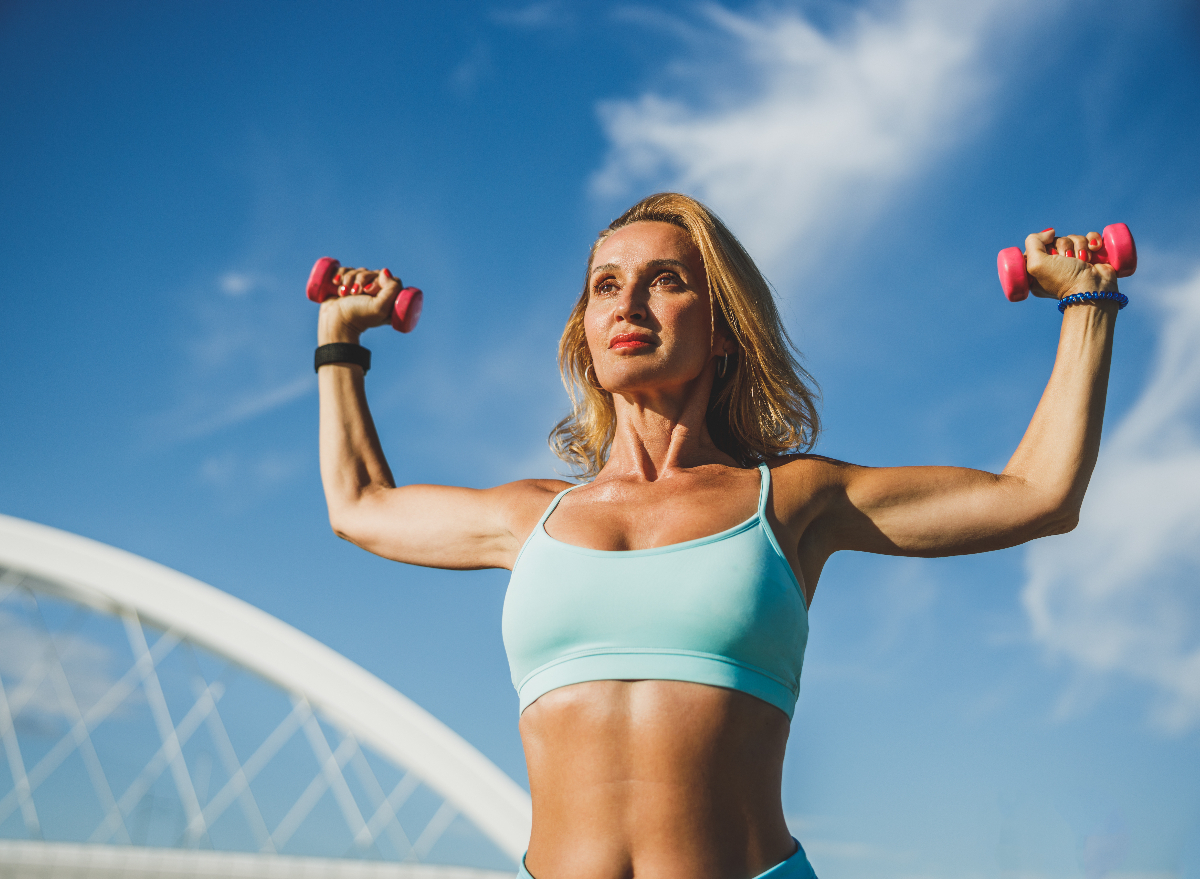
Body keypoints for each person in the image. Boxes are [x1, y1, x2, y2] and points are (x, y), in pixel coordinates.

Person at [314, 193, 1123, 879]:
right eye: (605, 286)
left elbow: (1037, 495)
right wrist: (340, 339)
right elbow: (359, 503)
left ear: (723, 329)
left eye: (664, 281)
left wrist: (1086, 302)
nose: (627, 304)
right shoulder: (531, 516)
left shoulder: (792, 498)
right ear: (587, 336)